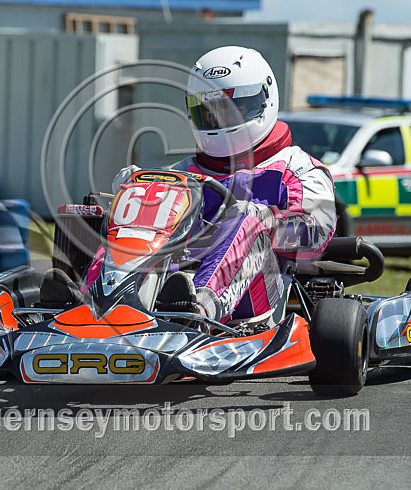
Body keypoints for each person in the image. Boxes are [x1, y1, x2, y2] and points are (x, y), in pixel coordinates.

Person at [144, 45, 338, 321]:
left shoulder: (297, 167)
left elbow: (317, 232)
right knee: (126, 209)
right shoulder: (185, 172)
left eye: (234, 109)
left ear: (264, 99)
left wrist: (267, 221)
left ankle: (197, 312)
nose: (220, 120)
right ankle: (90, 302)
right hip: (171, 280)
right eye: (210, 111)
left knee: (246, 220)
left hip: (259, 297)